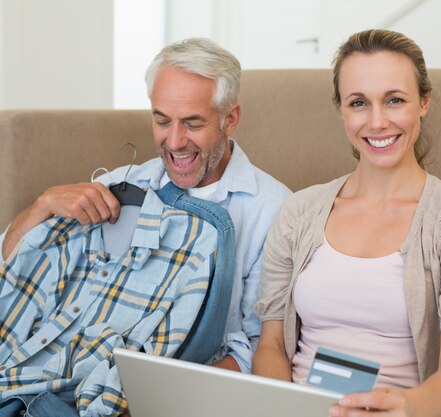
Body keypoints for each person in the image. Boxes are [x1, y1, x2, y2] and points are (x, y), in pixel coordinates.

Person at [0, 38, 291, 416]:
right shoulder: (124, 183)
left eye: (193, 123)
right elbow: (12, 276)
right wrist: (41, 206)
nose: (174, 141)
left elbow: (262, 347)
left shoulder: (272, 211)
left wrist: (152, 398)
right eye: (161, 120)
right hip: (52, 370)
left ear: (230, 118)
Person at [252, 29, 441, 417]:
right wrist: (282, 407)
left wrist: (405, 409)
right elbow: (271, 346)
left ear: (424, 102)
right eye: (358, 103)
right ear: (342, 110)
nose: (378, 121)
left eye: (395, 100)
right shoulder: (299, 212)